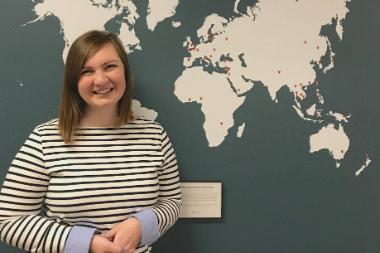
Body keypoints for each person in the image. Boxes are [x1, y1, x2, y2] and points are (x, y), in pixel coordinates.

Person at [0, 30, 182, 253]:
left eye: (110, 67)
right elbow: (8, 220)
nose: (101, 80)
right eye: (87, 71)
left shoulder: (155, 136)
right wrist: (86, 243)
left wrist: (141, 225)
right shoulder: (45, 139)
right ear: (73, 81)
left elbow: (171, 201)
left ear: (125, 70)